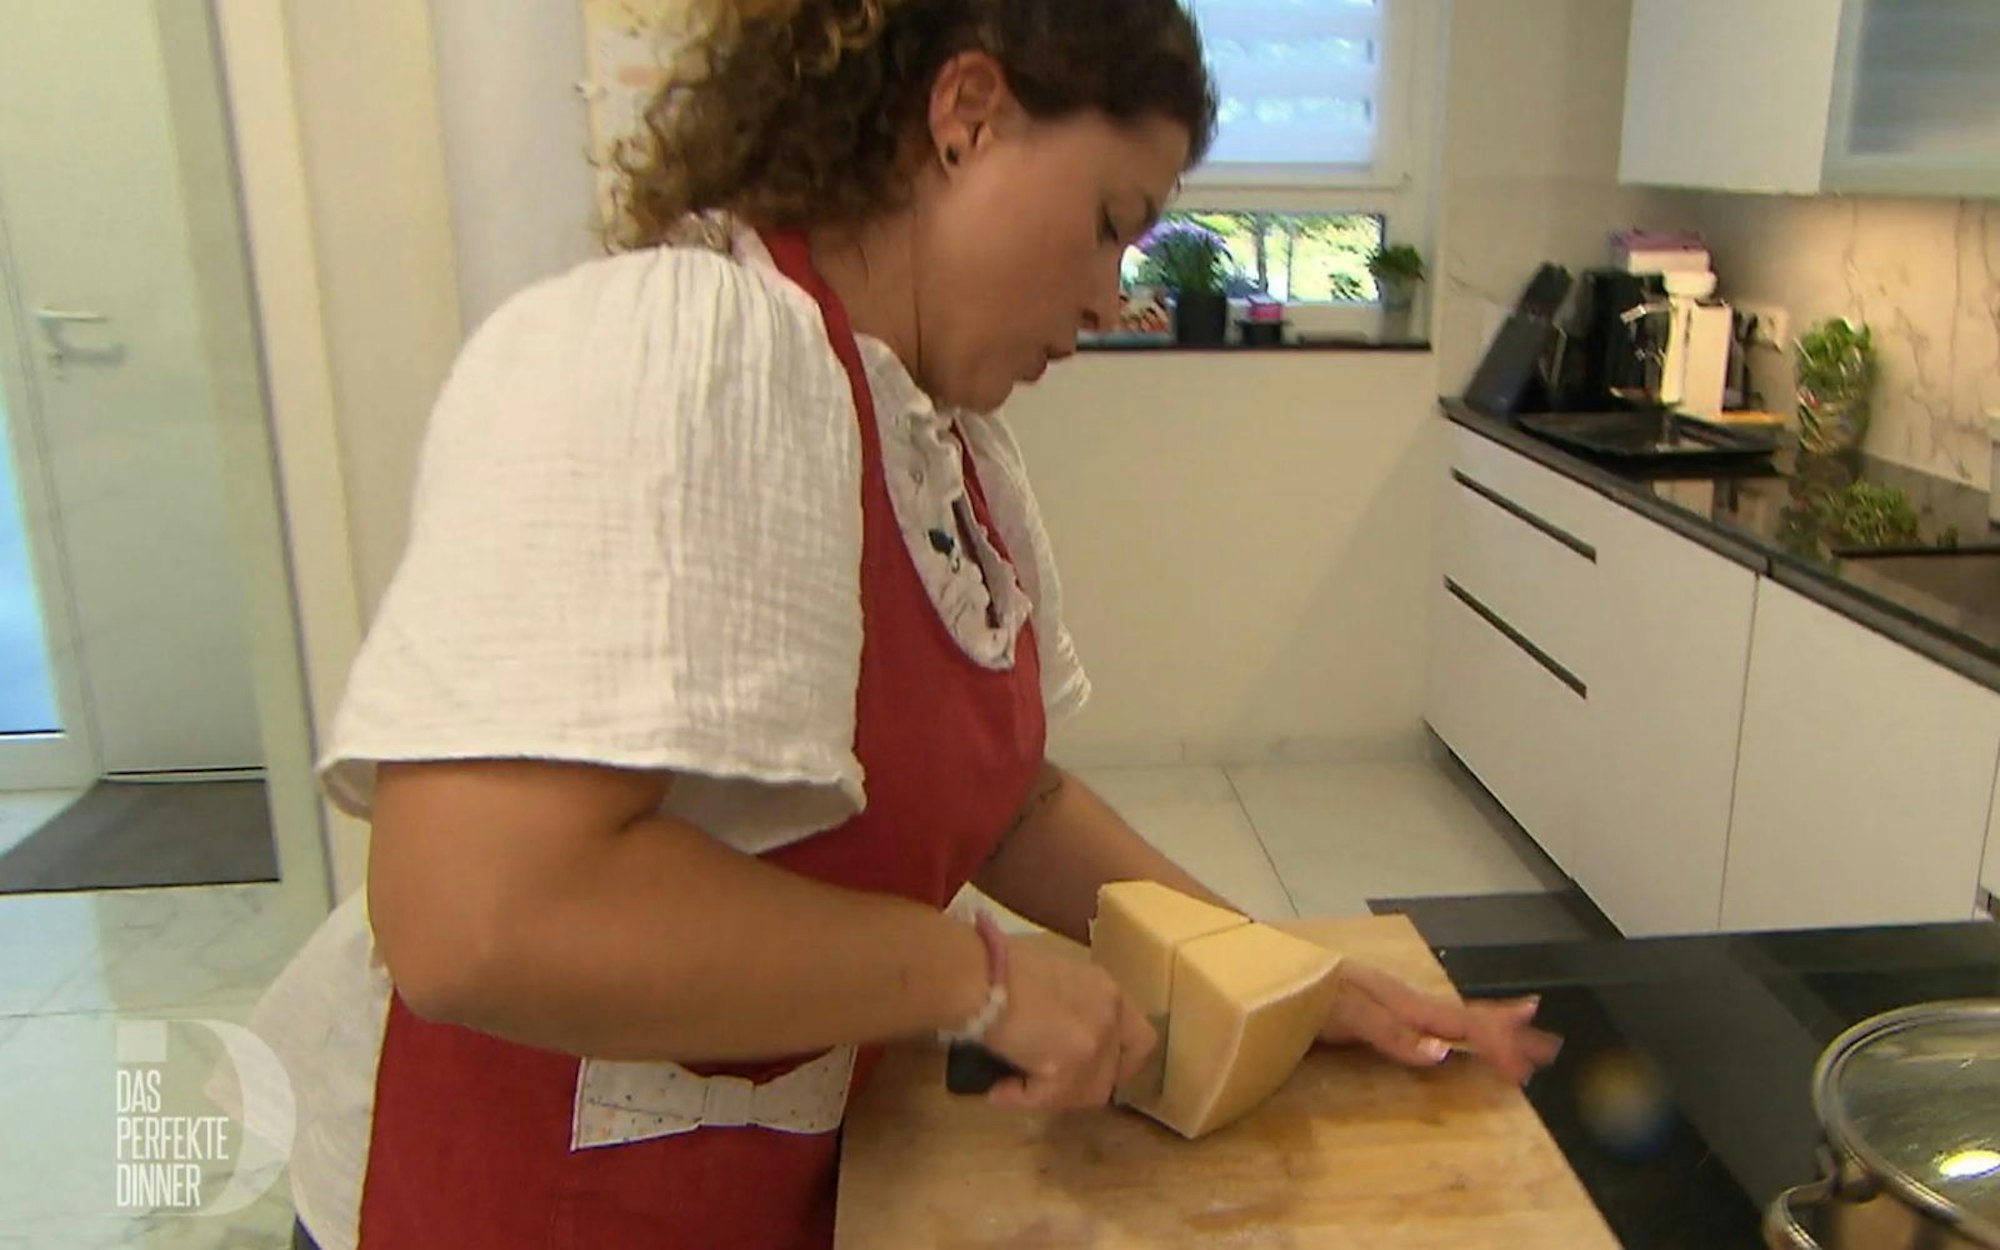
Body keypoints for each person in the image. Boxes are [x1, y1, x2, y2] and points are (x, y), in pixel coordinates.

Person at [250, 2, 1560, 1247]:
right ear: (968, 115)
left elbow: (1006, 803)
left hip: (766, 1173)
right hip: (525, 1199)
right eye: (1109, 221)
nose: (1112, 299)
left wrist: (1273, 970)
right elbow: (472, 914)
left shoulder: (939, 442)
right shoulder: (673, 344)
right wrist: (970, 974)